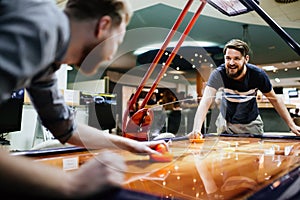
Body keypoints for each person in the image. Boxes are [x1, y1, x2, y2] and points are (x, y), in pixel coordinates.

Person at [0, 0, 166, 199]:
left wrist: (132, 145)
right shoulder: (39, 28)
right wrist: (72, 184)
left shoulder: (48, 60)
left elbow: (65, 128)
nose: (111, 55)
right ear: (103, 26)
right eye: (118, 42)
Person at [189, 39, 300, 138]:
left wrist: (292, 125)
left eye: (236, 58)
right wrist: (196, 129)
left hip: (250, 123)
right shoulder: (219, 74)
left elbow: (275, 99)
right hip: (225, 123)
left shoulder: (258, 75)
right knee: (223, 159)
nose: (231, 63)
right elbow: (205, 101)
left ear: (246, 59)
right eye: (228, 58)